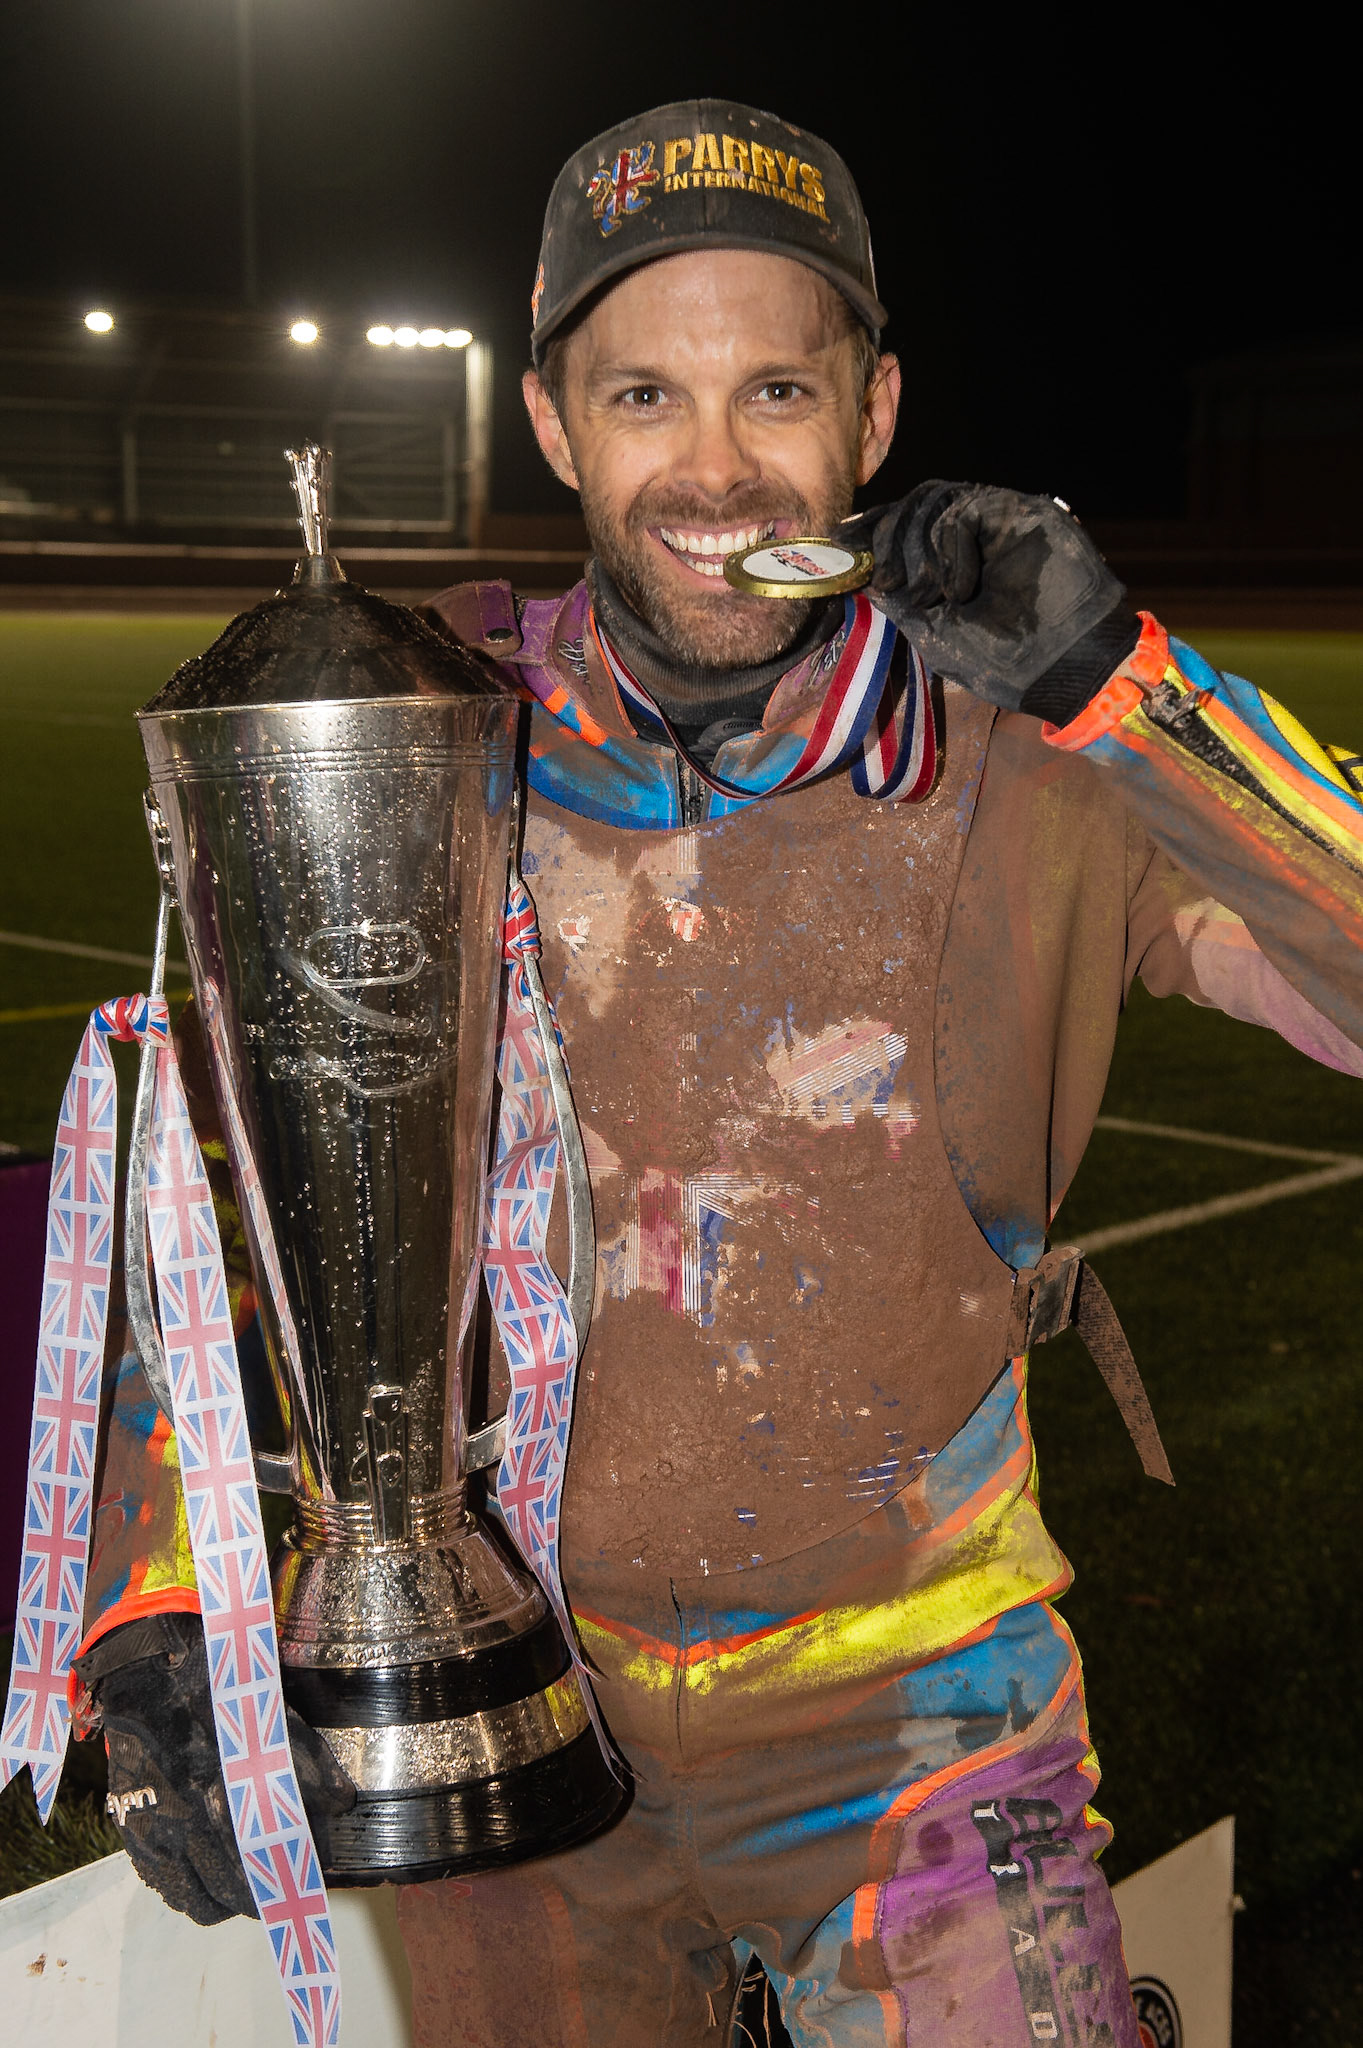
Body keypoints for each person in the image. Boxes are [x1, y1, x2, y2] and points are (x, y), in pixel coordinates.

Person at [74, 100, 1363, 2045]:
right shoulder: (424, 731)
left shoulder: (1030, 756)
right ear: (550, 423)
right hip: (512, 1715)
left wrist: (1128, 688)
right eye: (642, 396)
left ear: (873, 411)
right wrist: (160, 1585)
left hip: (928, 1721)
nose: (712, 466)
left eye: (776, 388)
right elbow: (236, 1195)